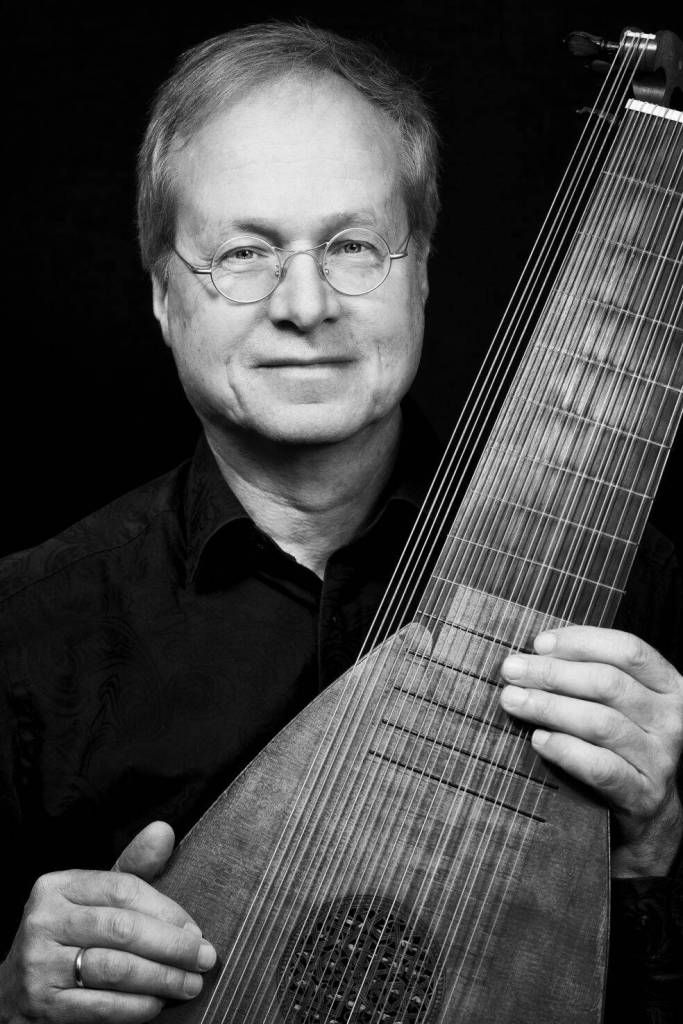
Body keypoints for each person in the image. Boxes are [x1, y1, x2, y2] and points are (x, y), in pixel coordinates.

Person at [0, 20, 681, 1024]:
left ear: (421, 271)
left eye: (352, 246)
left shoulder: (628, 592)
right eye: (243, 253)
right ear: (162, 294)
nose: (306, 303)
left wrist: (657, 847)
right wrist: (11, 999)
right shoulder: (26, 632)